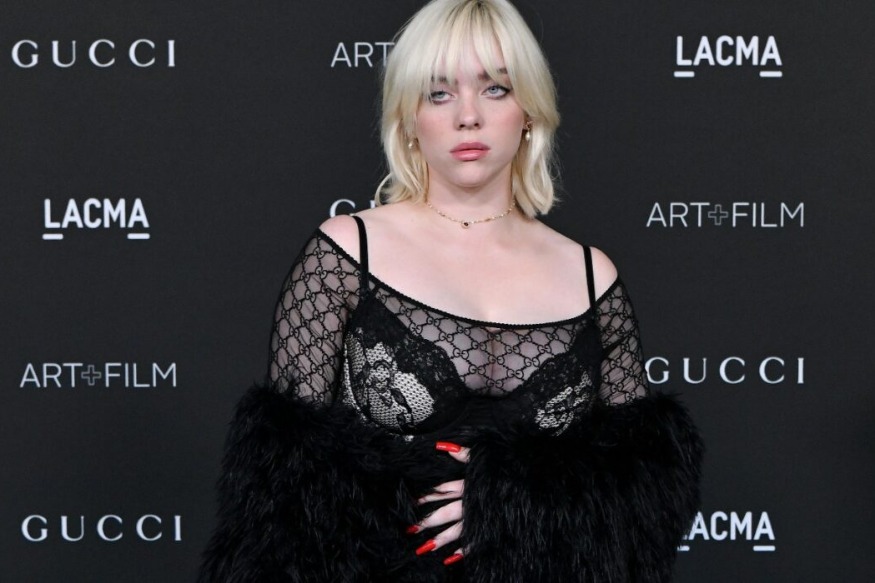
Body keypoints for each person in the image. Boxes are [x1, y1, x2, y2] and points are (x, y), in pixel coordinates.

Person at [198, 0, 703, 581]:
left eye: (495, 89)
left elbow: (645, 502)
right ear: (410, 119)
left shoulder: (592, 277)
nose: (468, 116)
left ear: (529, 111)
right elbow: (280, 499)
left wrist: (512, 505)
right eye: (439, 93)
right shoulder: (347, 254)